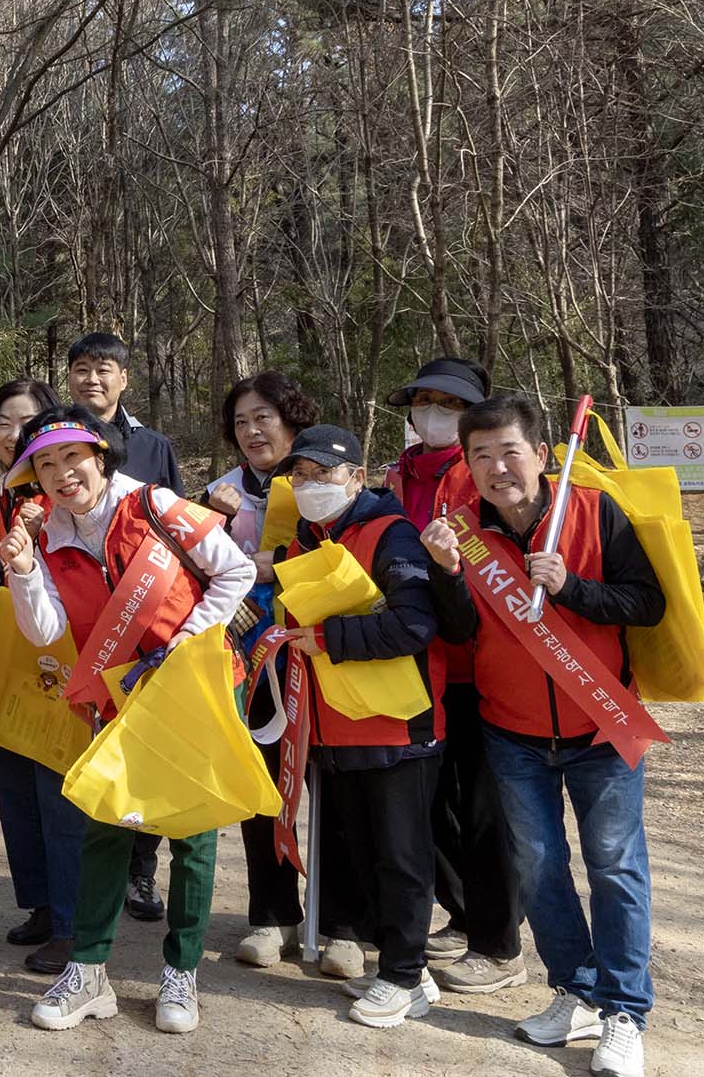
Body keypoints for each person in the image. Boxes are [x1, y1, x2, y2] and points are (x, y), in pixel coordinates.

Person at [422, 395, 665, 1077]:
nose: (498, 467)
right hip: (511, 731)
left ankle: (624, 1012)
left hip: (599, 728)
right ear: (468, 465)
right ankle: (576, 990)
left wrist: (573, 589)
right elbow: (461, 633)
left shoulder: (590, 512)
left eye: (510, 451)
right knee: (537, 868)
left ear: (540, 452)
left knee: (615, 868)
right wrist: (445, 577)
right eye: (481, 456)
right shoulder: (463, 532)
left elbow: (648, 603)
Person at [0, 405, 253, 1036]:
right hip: (117, 694)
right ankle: (88, 973)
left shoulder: (156, 505)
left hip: (193, 681)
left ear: (100, 457)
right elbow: (47, 631)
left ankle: (182, 972)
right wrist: (23, 569)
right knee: (106, 826)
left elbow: (236, 571)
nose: (62, 475)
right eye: (46, 465)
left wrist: (180, 647)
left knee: (192, 833)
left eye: (72, 459)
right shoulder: (46, 537)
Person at [276, 425, 443, 1028]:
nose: (310, 485)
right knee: (365, 852)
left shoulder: (392, 534)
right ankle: (405, 968)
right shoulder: (304, 542)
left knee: (401, 855)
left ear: (355, 474)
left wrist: (326, 637)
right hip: (334, 726)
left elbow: (414, 626)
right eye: (300, 475)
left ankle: (402, 976)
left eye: (323, 473)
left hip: (398, 726)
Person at [385, 358, 525, 995]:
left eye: (451, 403)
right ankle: (467, 913)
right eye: (425, 401)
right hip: (417, 659)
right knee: (433, 805)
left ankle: (499, 945)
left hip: (482, 665)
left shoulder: (481, 482)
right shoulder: (399, 476)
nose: (435, 412)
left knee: (482, 809)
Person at [199, 371, 320, 971]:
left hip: (321, 653)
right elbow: (192, 574)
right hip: (253, 661)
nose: (252, 431)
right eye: (242, 421)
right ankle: (273, 916)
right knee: (261, 784)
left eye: (264, 417)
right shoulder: (218, 493)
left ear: (292, 419)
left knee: (334, 792)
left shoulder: (324, 482)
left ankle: (338, 919)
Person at [0, 379, 86, 976]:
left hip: (61, 650)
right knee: (15, 791)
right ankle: (40, 905)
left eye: (30, 422)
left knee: (60, 792)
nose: (16, 434)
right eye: (5, 422)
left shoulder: (66, 497)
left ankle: (71, 922)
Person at [64, 330, 182, 919]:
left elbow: (180, 533)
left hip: (153, 622)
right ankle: (98, 875)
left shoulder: (155, 446)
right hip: (86, 621)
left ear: (124, 378)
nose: (92, 379)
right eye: (81, 368)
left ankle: (143, 870)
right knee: (101, 750)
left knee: (153, 750)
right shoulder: (57, 442)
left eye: (104, 368)